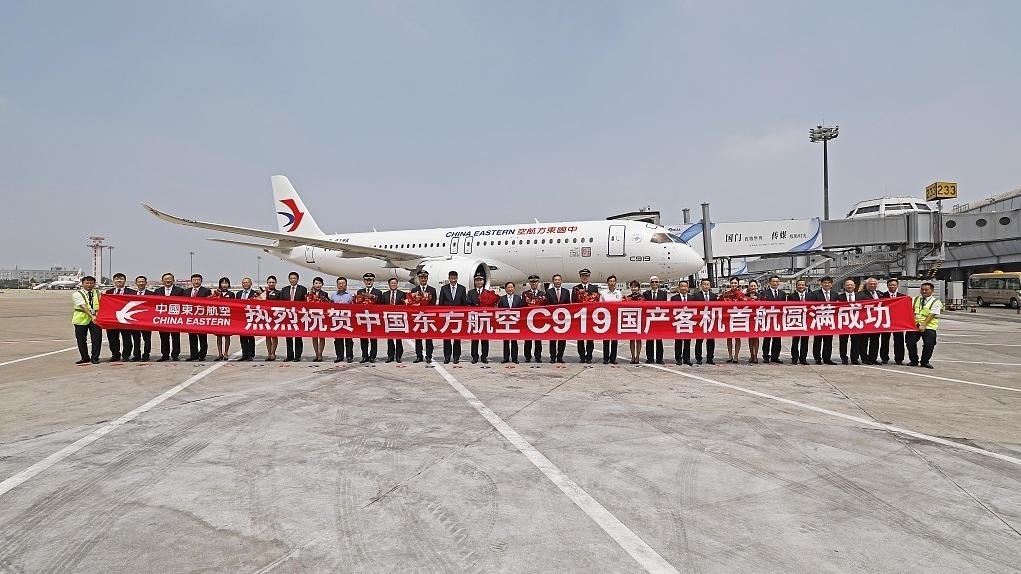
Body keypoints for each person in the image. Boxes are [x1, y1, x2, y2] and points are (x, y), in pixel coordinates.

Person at [907, 281, 941, 369]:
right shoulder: (915, 299)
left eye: (926, 290)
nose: (924, 291)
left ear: (932, 290)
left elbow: (932, 314)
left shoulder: (936, 302)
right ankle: (914, 360)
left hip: (929, 326)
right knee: (910, 343)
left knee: (929, 344)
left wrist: (924, 325)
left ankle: (925, 362)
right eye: (922, 289)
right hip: (914, 325)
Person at [72, 275, 103, 365]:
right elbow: (83, 306)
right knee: (81, 339)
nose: (89, 285)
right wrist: (92, 316)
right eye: (87, 283)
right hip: (81, 319)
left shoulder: (98, 293)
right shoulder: (77, 294)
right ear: (82, 284)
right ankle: (85, 357)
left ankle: (95, 357)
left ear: (94, 284)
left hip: (96, 318)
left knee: (97, 338)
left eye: (91, 283)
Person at [439, 271, 467, 364]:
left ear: (457, 278)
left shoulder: (462, 288)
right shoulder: (444, 288)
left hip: (458, 317)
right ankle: (447, 357)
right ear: (449, 278)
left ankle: (456, 357)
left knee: (457, 338)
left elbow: (464, 304)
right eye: (451, 278)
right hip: (447, 318)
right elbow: (441, 303)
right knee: (447, 338)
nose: (453, 280)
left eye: (455, 278)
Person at [104, 273, 133, 362]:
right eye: (117, 279)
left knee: (127, 338)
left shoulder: (132, 292)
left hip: (125, 319)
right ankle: (115, 355)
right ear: (114, 281)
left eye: (121, 279)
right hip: (112, 319)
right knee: (112, 338)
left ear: (125, 280)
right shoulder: (108, 292)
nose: (119, 280)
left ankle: (126, 355)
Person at [155, 273, 184, 361]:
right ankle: (165, 355)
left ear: (173, 280)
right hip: (162, 318)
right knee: (164, 337)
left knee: (175, 337)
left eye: (170, 279)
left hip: (175, 318)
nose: (168, 280)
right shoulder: (157, 291)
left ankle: (175, 355)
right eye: (166, 279)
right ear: (162, 281)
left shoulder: (180, 291)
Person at [409, 270, 437, 363]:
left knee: (428, 338)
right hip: (418, 317)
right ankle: (419, 356)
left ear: (427, 278)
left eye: (425, 278)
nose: (423, 279)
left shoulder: (432, 290)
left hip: (428, 317)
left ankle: (429, 356)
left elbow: (433, 304)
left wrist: (426, 308)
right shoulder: (414, 290)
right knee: (418, 338)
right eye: (421, 278)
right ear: (418, 279)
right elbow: (411, 303)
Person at [573, 268, 599, 363]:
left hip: (590, 317)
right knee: (580, 339)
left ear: (589, 277)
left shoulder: (594, 288)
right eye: (583, 276)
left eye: (586, 276)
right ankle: (582, 357)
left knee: (590, 338)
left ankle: (589, 357)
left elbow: (597, 302)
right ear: (580, 277)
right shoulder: (576, 288)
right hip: (580, 317)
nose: (585, 277)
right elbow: (573, 302)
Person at [809, 276, 837, 365]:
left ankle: (827, 358)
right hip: (818, 320)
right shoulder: (815, 294)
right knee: (818, 341)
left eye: (829, 283)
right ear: (821, 284)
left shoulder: (835, 294)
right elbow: (811, 306)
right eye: (825, 283)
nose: (827, 284)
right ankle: (817, 358)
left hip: (830, 320)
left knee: (828, 341)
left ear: (831, 284)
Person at [280, 271, 308, 361]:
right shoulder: (284, 290)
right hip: (287, 317)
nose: (293, 280)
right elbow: (280, 303)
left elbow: (305, 303)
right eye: (291, 278)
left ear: (297, 279)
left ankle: (297, 356)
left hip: (298, 317)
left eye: (294, 278)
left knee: (298, 337)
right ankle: (290, 356)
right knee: (288, 337)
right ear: (289, 279)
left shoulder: (302, 289)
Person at [758, 275, 786, 364]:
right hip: (768, 319)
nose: (775, 283)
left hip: (778, 319)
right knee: (767, 339)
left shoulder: (782, 293)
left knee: (777, 339)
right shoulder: (764, 293)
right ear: (770, 282)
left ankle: (775, 356)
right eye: (773, 281)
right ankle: (766, 356)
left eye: (777, 281)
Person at [880, 278, 907, 365]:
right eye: (890, 285)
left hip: (898, 322)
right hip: (885, 321)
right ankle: (884, 358)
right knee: (884, 340)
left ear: (897, 286)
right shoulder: (882, 296)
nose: (892, 286)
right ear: (887, 286)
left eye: (894, 285)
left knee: (899, 341)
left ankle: (899, 359)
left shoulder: (902, 297)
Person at [356, 272, 382, 363]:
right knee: (363, 338)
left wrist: (373, 297)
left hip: (373, 318)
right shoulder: (360, 292)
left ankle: (372, 356)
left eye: (370, 280)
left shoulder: (378, 292)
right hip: (363, 319)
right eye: (367, 280)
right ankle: (364, 356)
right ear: (364, 281)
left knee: (373, 339)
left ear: (373, 281)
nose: (369, 282)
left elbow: (381, 305)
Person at [185, 273, 212, 361]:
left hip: (201, 318)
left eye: (198, 280)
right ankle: (193, 355)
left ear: (201, 281)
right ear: (191, 281)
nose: (196, 281)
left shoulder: (206, 291)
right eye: (194, 280)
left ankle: (202, 355)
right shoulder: (186, 291)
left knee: (202, 338)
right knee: (192, 337)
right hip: (190, 318)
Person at [545, 274, 571, 363]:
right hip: (552, 319)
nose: (557, 281)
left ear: (561, 281)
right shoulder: (549, 292)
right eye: (555, 280)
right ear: (553, 281)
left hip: (563, 320)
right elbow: (547, 305)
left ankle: (560, 357)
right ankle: (552, 357)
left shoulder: (566, 292)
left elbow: (568, 305)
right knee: (552, 339)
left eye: (558, 280)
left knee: (562, 340)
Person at [719, 277, 745, 363]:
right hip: (728, 318)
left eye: (735, 283)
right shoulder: (725, 294)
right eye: (732, 283)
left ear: (738, 284)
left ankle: (736, 356)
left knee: (737, 338)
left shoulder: (741, 294)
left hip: (738, 318)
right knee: (729, 337)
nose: (733, 284)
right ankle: (730, 355)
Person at [466, 274, 491, 364]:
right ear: (474, 282)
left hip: (484, 319)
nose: (479, 282)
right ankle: (475, 356)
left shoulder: (487, 292)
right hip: (474, 318)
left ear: (483, 281)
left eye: (481, 280)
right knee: (474, 339)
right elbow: (468, 304)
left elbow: (491, 305)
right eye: (477, 280)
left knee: (485, 339)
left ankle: (484, 356)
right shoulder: (470, 293)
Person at [643, 276, 668, 364]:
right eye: (652, 282)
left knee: (659, 340)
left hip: (659, 320)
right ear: (650, 283)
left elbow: (665, 306)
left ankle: (659, 359)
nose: (654, 283)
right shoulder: (646, 293)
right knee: (649, 340)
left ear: (658, 283)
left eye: (656, 282)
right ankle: (650, 358)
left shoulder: (663, 294)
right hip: (649, 319)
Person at [857, 277, 883, 365]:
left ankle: (873, 358)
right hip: (865, 321)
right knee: (863, 341)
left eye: (874, 284)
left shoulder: (880, 294)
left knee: (875, 341)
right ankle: (864, 358)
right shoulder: (860, 294)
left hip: (876, 321)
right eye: (870, 284)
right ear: (866, 285)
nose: (872, 285)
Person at [521, 275, 546, 362]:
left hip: (539, 321)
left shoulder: (542, 294)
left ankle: (538, 356)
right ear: (529, 283)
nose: (534, 283)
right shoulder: (525, 294)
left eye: (535, 282)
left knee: (538, 340)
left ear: (538, 283)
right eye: (532, 282)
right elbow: (522, 306)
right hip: (528, 320)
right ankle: (527, 357)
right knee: (528, 340)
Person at [498, 281, 524, 363]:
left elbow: (522, 310)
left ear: (514, 288)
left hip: (515, 323)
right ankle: (506, 358)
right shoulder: (502, 299)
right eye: (508, 287)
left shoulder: (518, 298)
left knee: (514, 341)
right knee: (506, 341)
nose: (510, 289)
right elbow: (499, 310)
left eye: (511, 287)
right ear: (505, 289)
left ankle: (514, 358)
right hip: (505, 323)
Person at [691, 278, 716, 365]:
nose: (706, 286)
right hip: (700, 322)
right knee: (699, 341)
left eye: (707, 284)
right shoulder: (696, 296)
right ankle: (698, 358)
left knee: (711, 341)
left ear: (710, 286)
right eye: (704, 284)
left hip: (710, 321)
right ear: (701, 286)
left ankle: (710, 358)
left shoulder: (713, 296)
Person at [600, 275, 623, 364]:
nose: (612, 283)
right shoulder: (603, 293)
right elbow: (600, 306)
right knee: (606, 340)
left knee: (614, 340)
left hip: (615, 320)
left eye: (613, 281)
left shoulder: (619, 293)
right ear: (607, 283)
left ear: (615, 283)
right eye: (610, 281)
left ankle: (613, 358)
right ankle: (605, 358)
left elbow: (621, 306)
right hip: (606, 319)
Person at [331, 277, 355, 363]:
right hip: (337, 320)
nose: (341, 285)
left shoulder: (350, 295)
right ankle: (339, 356)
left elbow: (354, 308)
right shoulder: (333, 296)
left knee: (348, 340)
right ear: (337, 285)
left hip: (347, 320)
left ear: (346, 285)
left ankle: (349, 356)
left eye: (343, 283)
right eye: (339, 283)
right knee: (338, 340)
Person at [838, 279, 862, 365]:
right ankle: (844, 358)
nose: (849, 286)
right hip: (844, 322)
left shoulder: (860, 296)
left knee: (856, 341)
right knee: (843, 341)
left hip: (856, 322)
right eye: (847, 285)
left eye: (851, 285)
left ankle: (854, 358)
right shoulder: (839, 297)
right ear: (844, 287)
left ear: (854, 286)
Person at [235, 277, 260, 361]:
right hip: (241, 318)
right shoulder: (238, 294)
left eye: (247, 282)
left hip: (251, 317)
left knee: (250, 337)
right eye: (244, 283)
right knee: (242, 337)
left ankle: (251, 354)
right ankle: (244, 354)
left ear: (251, 283)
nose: (245, 284)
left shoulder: (255, 294)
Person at [382, 277, 406, 363]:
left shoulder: (402, 294)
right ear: (389, 285)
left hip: (398, 319)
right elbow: (381, 307)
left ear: (397, 284)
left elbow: (405, 306)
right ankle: (390, 356)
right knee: (389, 339)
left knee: (399, 338)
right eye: (392, 283)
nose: (393, 285)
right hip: (388, 319)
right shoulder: (385, 294)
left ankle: (399, 356)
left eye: (395, 283)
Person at [787, 279, 810, 365]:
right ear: (796, 286)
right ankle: (794, 358)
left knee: (805, 341)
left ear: (805, 286)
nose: (801, 286)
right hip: (795, 320)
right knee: (795, 341)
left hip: (807, 321)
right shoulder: (791, 296)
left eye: (802, 285)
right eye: (799, 285)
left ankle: (803, 358)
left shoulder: (810, 296)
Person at [670, 279, 693, 366]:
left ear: (688, 288)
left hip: (688, 322)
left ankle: (686, 358)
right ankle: (678, 359)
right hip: (678, 322)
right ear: (679, 288)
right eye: (682, 286)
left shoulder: (692, 298)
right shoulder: (674, 298)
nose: (683, 288)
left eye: (685, 286)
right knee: (678, 341)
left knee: (687, 341)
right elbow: (671, 310)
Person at [131, 275, 153, 361]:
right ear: (136, 283)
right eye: (139, 282)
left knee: (147, 339)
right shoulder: (131, 294)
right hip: (134, 320)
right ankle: (136, 355)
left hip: (146, 321)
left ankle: (146, 355)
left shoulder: (151, 294)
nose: (141, 283)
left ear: (146, 283)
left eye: (142, 281)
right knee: (136, 339)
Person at [213, 277, 235, 361]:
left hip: (227, 317)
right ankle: (219, 353)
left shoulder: (231, 294)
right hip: (219, 318)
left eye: (226, 283)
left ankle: (226, 353)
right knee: (218, 337)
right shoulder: (216, 293)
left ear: (228, 284)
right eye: (222, 283)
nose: (224, 285)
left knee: (227, 336)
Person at [308, 276, 329, 361]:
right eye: (316, 283)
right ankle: (316, 354)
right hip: (312, 317)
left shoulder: (325, 294)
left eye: (319, 283)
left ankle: (320, 354)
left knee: (322, 337)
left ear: (322, 284)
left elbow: (328, 304)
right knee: (314, 337)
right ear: (313, 284)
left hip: (322, 318)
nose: (318, 285)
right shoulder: (310, 294)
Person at [262, 275, 281, 361]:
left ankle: (273, 353)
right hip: (265, 317)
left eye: (273, 282)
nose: (271, 284)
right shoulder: (263, 293)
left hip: (275, 317)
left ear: (276, 283)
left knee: (274, 335)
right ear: (267, 283)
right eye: (269, 282)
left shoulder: (278, 293)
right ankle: (269, 353)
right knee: (267, 336)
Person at [626, 280, 644, 364]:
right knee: (632, 339)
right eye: (632, 287)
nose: (633, 288)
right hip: (631, 319)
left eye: (635, 287)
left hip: (639, 320)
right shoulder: (628, 298)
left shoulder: (642, 298)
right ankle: (633, 356)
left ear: (638, 288)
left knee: (638, 340)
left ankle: (638, 356)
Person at [744, 280, 761, 364]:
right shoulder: (745, 296)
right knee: (750, 338)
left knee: (756, 338)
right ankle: (751, 355)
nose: (753, 287)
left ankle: (756, 356)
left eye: (754, 286)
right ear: (749, 287)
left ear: (757, 287)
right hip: (749, 319)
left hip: (757, 318)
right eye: (751, 286)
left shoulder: (761, 296)